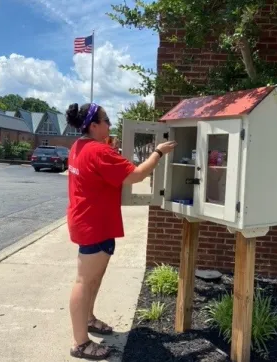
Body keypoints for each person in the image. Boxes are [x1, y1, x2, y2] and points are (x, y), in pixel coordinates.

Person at [65, 102, 177, 360]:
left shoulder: (80, 146)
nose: (110, 124)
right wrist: (158, 153)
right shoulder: (99, 152)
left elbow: (100, 171)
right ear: (93, 125)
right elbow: (136, 175)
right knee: (84, 280)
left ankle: (89, 319)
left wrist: (108, 148)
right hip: (94, 224)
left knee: (93, 278)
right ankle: (80, 343)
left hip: (89, 220)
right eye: (106, 120)